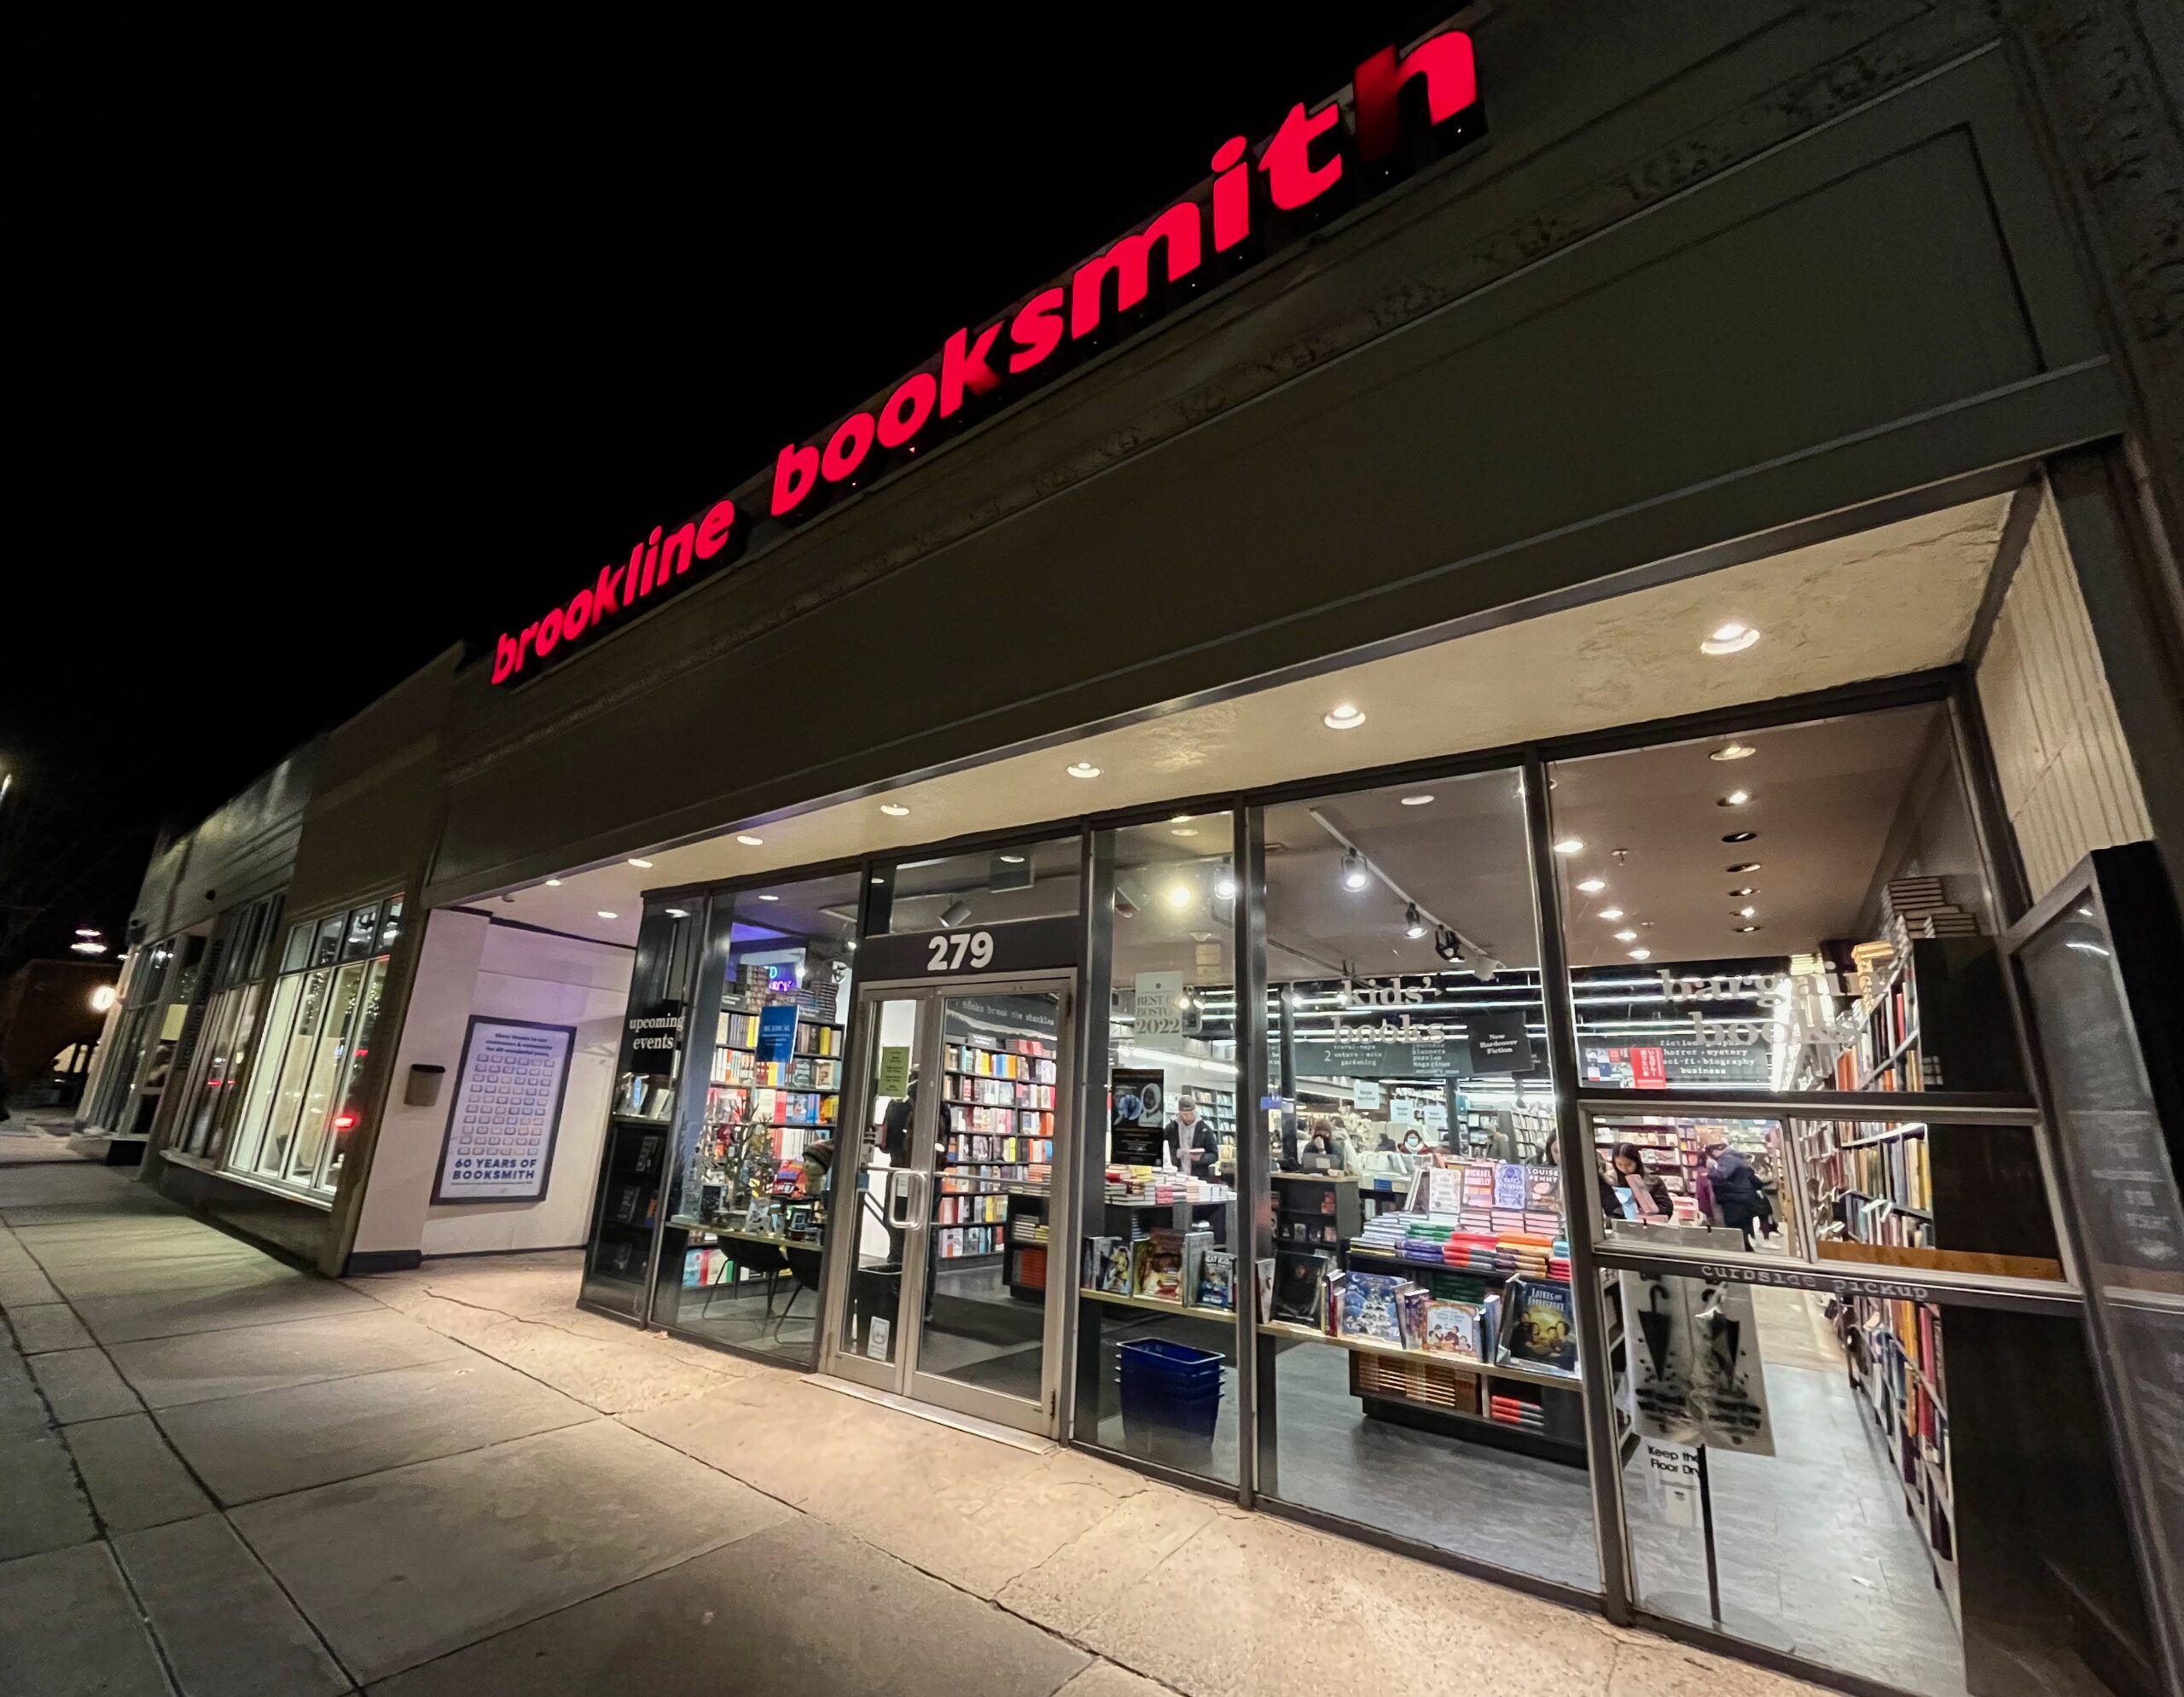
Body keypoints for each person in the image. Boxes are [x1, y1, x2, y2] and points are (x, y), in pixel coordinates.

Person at [1705, 1139, 1767, 1247]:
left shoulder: (1727, 1158)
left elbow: (1721, 1176)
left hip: (1733, 1198)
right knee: (1743, 1229)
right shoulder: (1735, 1158)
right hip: (1742, 1197)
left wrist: (1711, 1169)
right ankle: (1746, 1251)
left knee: (1735, 1231)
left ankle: (1740, 1252)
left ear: (1717, 1150)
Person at [1607, 1142, 1675, 1223]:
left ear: (1637, 1161)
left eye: (1628, 1164)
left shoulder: (1653, 1180)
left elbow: (1667, 1208)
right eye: (1619, 1164)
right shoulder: (1612, 1180)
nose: (1624, 1168)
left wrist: (1652, 1211)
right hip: (1621, 1225)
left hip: (1649, 1226)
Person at [1163, 1093, 1218, 1179]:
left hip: (1198, 1178)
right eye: (1185, 1114)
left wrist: (1201, 1158)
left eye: (1191, 1113)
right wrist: (1176, 1153)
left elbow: (1214, 1155)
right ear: (1179, 1112)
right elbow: (1161, 1150)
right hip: (1174, 1176)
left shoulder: (1205, 1129)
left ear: (1195, 1110)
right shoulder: (1171, 1128)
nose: (1189, 1117)